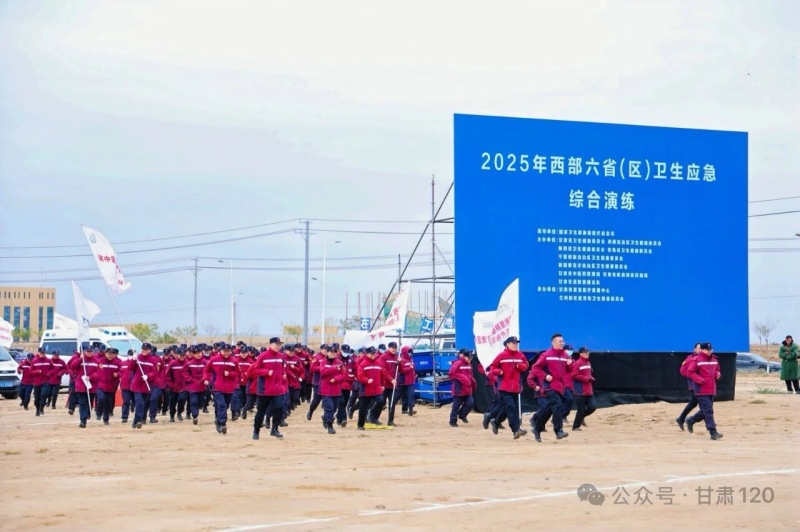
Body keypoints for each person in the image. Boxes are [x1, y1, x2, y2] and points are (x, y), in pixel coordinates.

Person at [531, 333, 571, 440]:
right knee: (557, 405)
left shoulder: (565, 355)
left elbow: (571, 369)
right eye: (560, 341)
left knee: (549, 409)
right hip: (549, 386)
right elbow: (536, 368)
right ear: (553, 342)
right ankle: (559, 431)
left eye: (563, 341)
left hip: (561, 387)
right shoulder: (546, 355)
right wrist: (545, 376)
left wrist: (570, 363)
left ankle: (537, 428)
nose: (562, 343)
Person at [487, 336, 529, 439]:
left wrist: (521, 366)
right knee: (511, 407)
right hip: (504, 387)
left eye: (516, 343)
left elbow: (526, 365)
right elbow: (492, 367)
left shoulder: (520, 355)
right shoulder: (502, 355)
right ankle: (515, 430)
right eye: (513, 343)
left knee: (507, 409)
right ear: (507, 344)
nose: (515, 344)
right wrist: (499, 372)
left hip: (515, 387)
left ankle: (496, 422)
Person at [250, 337, 287, 440]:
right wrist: (266, 372)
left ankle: (275, 429)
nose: (278, 346)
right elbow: (255, 370)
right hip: (265, 390)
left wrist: (283, 374)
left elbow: (283, 368)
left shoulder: (281, 356)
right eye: (276, 344)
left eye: (280, 344)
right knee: (261, 411)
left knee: (279, 408)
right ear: (270, 344)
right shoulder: (263, 356)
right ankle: (256, 431)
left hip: (278, 389)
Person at [684, 342, 723, 440]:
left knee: (706, 410)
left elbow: (717, 369)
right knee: (708, 411)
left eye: (711, 349)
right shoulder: (696, 360)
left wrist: (718, 374)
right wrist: (699, 380)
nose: (710, 351)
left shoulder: (714, 359)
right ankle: (713, 432)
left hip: (711, 389)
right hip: (701, 390)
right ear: (702, 350)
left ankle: (691, 420)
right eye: (707, 350)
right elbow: (689, 372)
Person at [203, 343, 241, 435]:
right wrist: (206, 379)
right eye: (224, 351)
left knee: (225, 406)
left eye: (228, 351)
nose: (226, 353)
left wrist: (230, 374)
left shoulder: (233, 361)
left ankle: (218, 420)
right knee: (221, 405)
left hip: (229, 388)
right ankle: (223, 423)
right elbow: (206, 370)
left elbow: (238, 373)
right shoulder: (214, 360)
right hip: (217, 387)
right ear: (220, 351)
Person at [356, 347, 395, 430]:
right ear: (367, 354)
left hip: (377, 388)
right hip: (366, 389)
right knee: (363, 407)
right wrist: (367, 380)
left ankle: (373, 414)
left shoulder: (378, 363)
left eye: (374, 353)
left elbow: (382, 375)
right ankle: (360, 424)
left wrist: (382, 385)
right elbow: (360, 376)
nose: (373, 355)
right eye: (371, 353)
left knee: (381, 402)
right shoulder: (363, 364)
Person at [129, 342, 161, 430]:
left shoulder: (153, 360)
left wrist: (148, 375)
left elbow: (155, 372)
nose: (144, 351)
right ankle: (139, 420)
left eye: (146, 350)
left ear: (150, 350)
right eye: (143, 349)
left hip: (146, 386)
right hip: (136, 385)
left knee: (143, 404)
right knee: (140, 403)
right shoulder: (138, 358)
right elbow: (130, 368)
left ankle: (135, 421)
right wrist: (133, 360)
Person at [68, 348, 100, 428]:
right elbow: (72, 366)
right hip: (81, 385)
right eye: (87, 351)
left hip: (91, 386)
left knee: (89, 403)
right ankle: (83, 420)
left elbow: (99, 372)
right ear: (84, 352)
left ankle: (87, 413)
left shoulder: (97, 361)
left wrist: (91, 377)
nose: (89, 353)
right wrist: (80, 359)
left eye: (90, 351)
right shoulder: (80, 360)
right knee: (82, 403)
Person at [319, 347, 346, 434]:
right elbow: (323, 372)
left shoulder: (339, 362)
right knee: (329, 408)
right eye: (331, 352)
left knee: (334, 408)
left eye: (334, 352)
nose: (332, 353)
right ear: (327, 352)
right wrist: (334, 368)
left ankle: (325, 417)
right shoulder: (323, 362)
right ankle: (330, 426)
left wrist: (336, 378)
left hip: (336, 389)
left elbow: (343, 374)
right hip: (326, 389)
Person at [373, 342, 400, 425]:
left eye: (395, 347)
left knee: (392, 403)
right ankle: (373, 417)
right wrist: (391, 379)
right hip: (384, 384)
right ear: (388, 348)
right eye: (392, 347)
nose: (394, 349)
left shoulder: (397, 357)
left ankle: (390, 421)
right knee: (381, 402)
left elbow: (400, 370)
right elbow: (383, 370)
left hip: (393, 385)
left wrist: (400, 362)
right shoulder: (383, 357)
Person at [94, 348, 123, 425]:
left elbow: (121, 372)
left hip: (111, 386)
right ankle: (99, 413)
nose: (111, 355)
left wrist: (118, 374)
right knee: (101, 398)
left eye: (112, 354)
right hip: (100, 385)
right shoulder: (100, 361)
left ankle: (106, 419)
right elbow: (95, 371)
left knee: (108, 403)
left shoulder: (117, 363)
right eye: (109, 353)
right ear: (105, 353)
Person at [570, 346, 597, 431]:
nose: (587, 353)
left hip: (588, 389)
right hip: (580, 390)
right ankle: (575, 426)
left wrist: (591, 378)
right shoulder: (578, 363)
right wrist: (587, 379)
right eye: (585, 352)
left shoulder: (588, 363)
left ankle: (581, 417)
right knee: (580, 409)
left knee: (592, 407)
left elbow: (588, 374)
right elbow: (573, 375)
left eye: (588, 352)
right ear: (580, 353)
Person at [676, 343, 701, 430]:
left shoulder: (704, 359)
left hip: (702, 385)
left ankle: (681, 418)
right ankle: (707, 422)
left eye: (702, 348)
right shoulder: (690, 359)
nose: (700, 350)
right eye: (699, 348)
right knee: (703, 403)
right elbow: (683, 371)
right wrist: (694, 377)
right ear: (694, 349)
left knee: (694, 403)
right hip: (694, 385)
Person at [448, 349, 477, 427]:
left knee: (470, 403)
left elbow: (470, 376)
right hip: (459, 388)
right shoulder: (457, 363)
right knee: (456, 405)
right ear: (464, 356)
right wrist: (461, 381)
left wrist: (473, 383)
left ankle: (462, 415)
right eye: (468, 357)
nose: (469, 359)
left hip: (468, 388)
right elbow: (451, 373)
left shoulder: (469, 365)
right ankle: (453, 421)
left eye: (470, 357)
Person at [183, 346, 207, 425]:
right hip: (192, 386)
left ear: (201, 353)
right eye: (196, 354)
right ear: (193, 354)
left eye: (199, 353)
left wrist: (206, 379)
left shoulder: (205, 363)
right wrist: (190, 379)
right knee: (193, 401)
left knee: (200, 402)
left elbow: (209, 372)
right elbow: (184, 372)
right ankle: (194, 416)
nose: (198, 355)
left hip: (202, 386)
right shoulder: (189, 363)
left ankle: (198, 409)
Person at [165, 348, 189, 422]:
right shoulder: (173, 363)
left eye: (183, 355)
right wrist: (171, 384)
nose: (182, 357)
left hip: (184, 387)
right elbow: (167, 374)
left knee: (181, 400)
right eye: (180, 355)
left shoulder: (187, 363)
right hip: (174, 387)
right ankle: (172, 416)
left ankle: (179, 412)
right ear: (177, 355)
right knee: (172, 403)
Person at [306, 345, 328, 421]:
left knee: (327, 399)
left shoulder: (330, 358)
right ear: (321, 349)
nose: (326, 351)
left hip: (327, 382)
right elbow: (312, 368)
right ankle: (311, 410)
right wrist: (323, 368)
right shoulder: (317, 357)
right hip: (317, 382)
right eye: (324, 349)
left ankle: (326, 416)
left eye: (327, 349)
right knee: (317, 399)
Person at [336, 345, 356, 427]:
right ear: (341, 350)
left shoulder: (351, 360)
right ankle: (344, 419)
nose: (346, 353)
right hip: (338, 384)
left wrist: (354, 376)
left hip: (348, 385)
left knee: (345, 403)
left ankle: (338, 417)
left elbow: (355, 370)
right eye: (344, 351)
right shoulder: (336, 359)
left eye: (347, 352)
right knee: (341, 402)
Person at [30, 348, 52, 416]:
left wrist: (49, 373)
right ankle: (37, 410)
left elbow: (52, 369)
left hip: (46, 381)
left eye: (43, 352)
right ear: (38, 353)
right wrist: (37, 372)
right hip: (37, 382)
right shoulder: (34, 361)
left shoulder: (48, 360)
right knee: (37, 398)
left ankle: (41, 408)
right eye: (41, 352)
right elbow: (30, 371)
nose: (42, 354)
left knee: (44, 394)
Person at [398, 346, 417, 416]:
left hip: (410, 381)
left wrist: (414, 374)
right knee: (403, 395)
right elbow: (401, 370)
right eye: (408, 351)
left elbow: (413, 369)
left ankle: (410, 409)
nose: (410, 353)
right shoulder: (402, 360)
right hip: (403, 381)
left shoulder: (411, 359)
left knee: (410, 395)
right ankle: (404, 409)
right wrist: (409, 368)